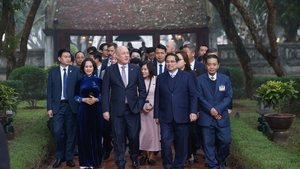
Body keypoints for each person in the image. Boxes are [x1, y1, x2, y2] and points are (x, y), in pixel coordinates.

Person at [102, 46, 146, 169]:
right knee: (118, 137)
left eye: (128, 53)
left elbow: (142, 90)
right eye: (123, 53)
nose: (127, 55)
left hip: (133, 109)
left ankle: (134, 158)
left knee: (133, 136)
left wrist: (139, 105)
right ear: (116, 55)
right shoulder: (110, 70)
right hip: (116, 110)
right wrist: (105, 110)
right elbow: (105, 91)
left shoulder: (136, 69)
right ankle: (120, 162)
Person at [154, 53, 198, 169]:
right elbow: (157, 97)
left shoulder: (187, 76)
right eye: (167, 61)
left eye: (172, 61)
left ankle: (179, 164)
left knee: (182, 143)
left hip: (182, 115)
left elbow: (193, 95)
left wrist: (193, 111)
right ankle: (167, 164)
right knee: (165, 141)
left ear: (177, 63)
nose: (169, 64)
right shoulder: (161, 77)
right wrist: (156, 115)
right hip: (165, 115)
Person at [47, 48, 82, 168]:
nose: (68, 58)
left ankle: (69, 158)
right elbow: (50, 91)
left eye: (69, 57)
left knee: (71, 132)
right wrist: (49, 108)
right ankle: (59, 156)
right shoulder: (53, 72)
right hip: (58, 106)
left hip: (72, 105)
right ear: (59, 58)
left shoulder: (76, 71)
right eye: (65, 56)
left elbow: (80, 89)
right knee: (57, 131)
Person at [196, 54, 233, 169]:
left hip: (222, 117)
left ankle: (220, 159)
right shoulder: (199, 79)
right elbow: (199, 97)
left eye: (214, 64)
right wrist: (210, 110)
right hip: (206, 118)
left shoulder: (225, 79)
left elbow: (228, 96)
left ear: (218, 66)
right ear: (205, 65)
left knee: (226, 141)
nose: (211, 67)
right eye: (209, 64)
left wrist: (217, 110)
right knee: (208, 144)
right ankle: (213, 166)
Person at [74, 58, 103, 168]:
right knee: (84, 136)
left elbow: (104, 96)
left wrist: (97, 100)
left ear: (94, 68)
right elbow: (75, 96)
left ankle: (94, 161)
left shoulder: (99, 80)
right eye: (86, 67)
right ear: (83, 68)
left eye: (90, 66)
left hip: (96, 110)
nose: (88, 69)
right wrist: (83, 100)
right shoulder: (79, 81)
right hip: (84, 111)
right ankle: (85, 162)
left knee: (96, 135)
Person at [175, 51, 198, 165]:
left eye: (178, 59)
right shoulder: (171, 73)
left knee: (191, 133)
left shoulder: (191, 74)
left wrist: (195, 110)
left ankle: (191, 152)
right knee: (180, 135)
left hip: (189, 109)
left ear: (184, 61)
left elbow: (194, 94)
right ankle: (185, 156)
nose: (176, 61)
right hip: (176, 110)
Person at [138, 61, 161, 166]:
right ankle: (143, 154)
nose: (143, 71)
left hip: (153, 111)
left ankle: (151, 156)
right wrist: (142, 107)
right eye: (142, 69)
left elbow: (160, 95)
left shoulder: (156, 80)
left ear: (150, 70)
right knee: (142, 133)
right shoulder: (138, 80)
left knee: (153, 134)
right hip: (141, 111)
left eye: (145, 69)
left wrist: (152, 106)